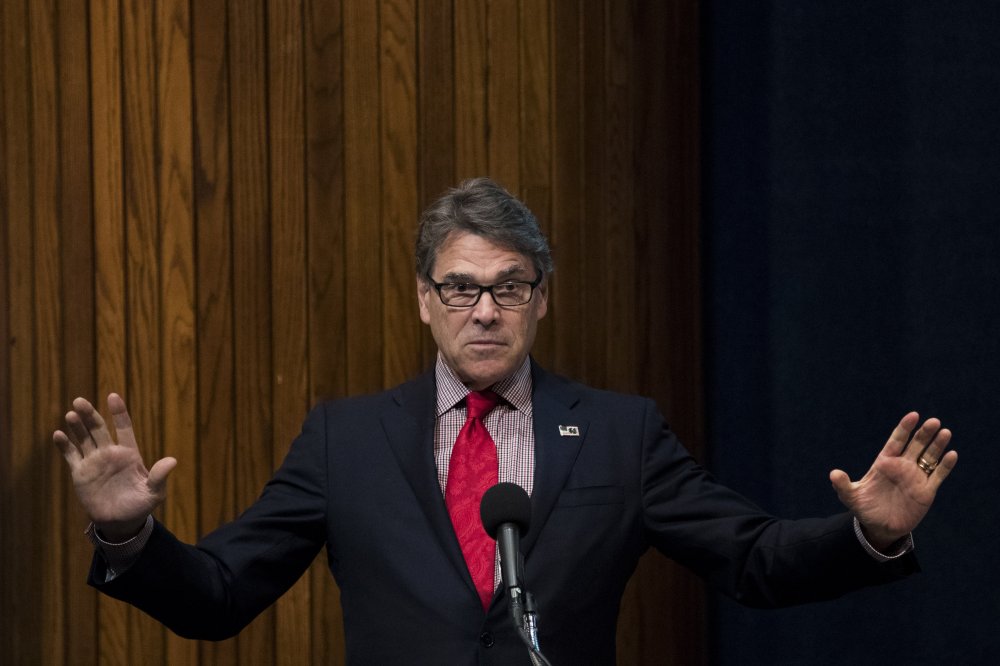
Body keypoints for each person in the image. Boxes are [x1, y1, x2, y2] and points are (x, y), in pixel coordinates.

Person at [54, 177, 957, 664]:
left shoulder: (620, 435)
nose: (484, 311)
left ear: (541, 299)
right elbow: (218, 598)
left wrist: (867, 536)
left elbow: (753, 560)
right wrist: (130, 535)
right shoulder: (345, 442)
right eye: (460, 287)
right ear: (424, 299)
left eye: (509, 287)